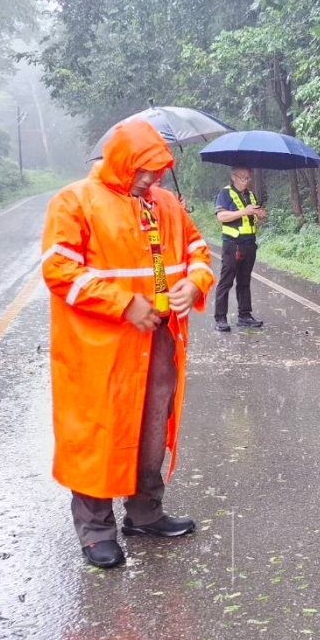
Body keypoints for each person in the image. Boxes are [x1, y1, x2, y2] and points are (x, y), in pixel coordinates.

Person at [41, 120, 216, 569]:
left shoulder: (167, 203)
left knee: (152, 425)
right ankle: (96, 530)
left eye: (157, 171)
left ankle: (145, 513)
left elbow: (198, 248)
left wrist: (195, 284)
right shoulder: (75, 200)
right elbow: (59, 270)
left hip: (159, 336)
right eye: (142, 170)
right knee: (99, 430)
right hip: (99, 348)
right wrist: (123, 305)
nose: (150, 179)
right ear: (119, 161)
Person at [212, 167, 267, 332]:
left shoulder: (250, 195)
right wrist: (244, 211)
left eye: (248, 177)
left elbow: (254, 220)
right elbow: (221, 217)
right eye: (243, 177)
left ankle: (244, 315)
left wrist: (260, 216)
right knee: (226, 280)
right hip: (232, 244)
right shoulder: (225, 193)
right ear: (233, 177)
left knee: (244, 281)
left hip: (249, 243)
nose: (246, 180)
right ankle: (220, 318)